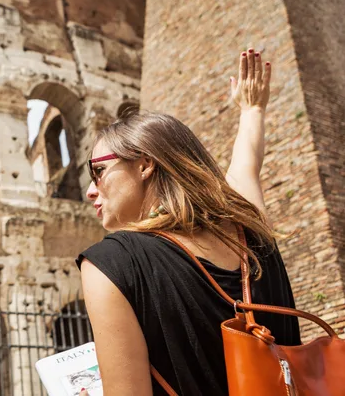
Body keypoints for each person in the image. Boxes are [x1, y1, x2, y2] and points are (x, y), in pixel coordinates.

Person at [77, 49, 300, 395]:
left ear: (144, 164)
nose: (91, 190)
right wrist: (252, 109)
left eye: (99, 171)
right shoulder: (250, 230)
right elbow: (246, 166)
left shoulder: (111, 265)